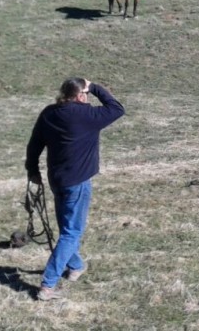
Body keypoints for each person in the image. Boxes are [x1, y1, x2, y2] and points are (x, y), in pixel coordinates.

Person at [25, 77, 124, 301]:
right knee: (72, 233)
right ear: (81, 96)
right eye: (86, 94)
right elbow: (117, 108)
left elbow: (34, 144)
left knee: (67, 229)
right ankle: (48, 285)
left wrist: (32, 170)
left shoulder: (49, 113)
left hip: (56, 180)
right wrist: (95, 86)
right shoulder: (87, 115)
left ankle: (76, 266)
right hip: (77, 183)